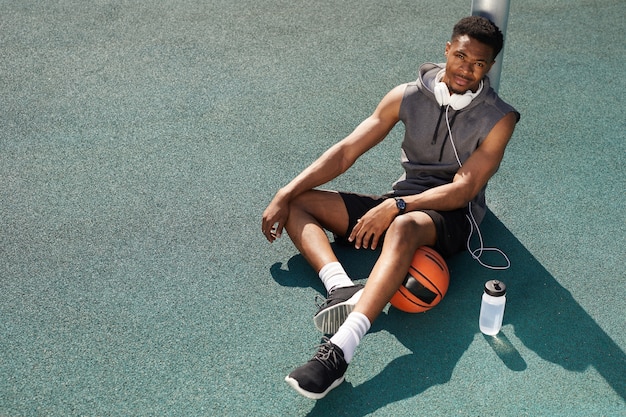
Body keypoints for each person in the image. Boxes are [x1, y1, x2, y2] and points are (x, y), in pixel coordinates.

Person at [261, 16, 520, 400]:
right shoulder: (407, 95)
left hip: (450, 216)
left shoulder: (500, 118)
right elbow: (348, 150)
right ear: (447, 49)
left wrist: (397, 206)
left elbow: (463, 190)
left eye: (479, 63)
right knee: (300, 203)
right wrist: (285, 191)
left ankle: (339, 352)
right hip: (401, 202)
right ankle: (341, 288)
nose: (467, 69)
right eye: (461, 56)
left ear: (490, 67)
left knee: (401, 227)